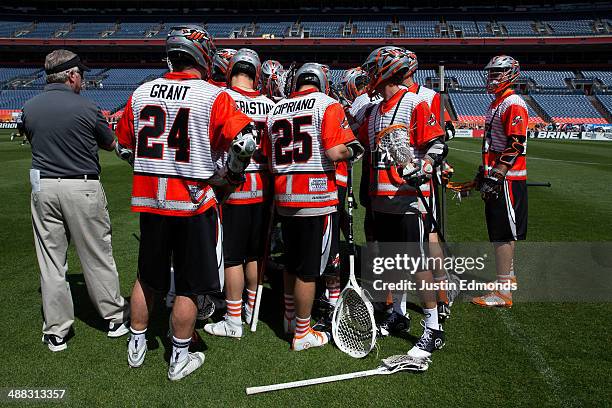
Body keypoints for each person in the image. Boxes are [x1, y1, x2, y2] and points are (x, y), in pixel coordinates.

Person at [115, 25, 255, 380]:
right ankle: (179, 357)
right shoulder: (213, 95)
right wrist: (231, 177)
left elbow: (124, 144)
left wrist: (150, 167)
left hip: (150, 201)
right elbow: (245, 142)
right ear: (203, 55)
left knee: (147, 276)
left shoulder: (142, 91)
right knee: (190, 284)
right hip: (193, 202)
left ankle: (136, 345)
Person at [19, 49, 129, 352]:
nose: (83, 78)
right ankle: (114, 317)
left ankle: (57, 331)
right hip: (82, 187)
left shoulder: (29, 106)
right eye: (81, 73)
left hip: (43, 188)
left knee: (51, 262)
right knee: (96, 255)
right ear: (71, 75)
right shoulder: (87, 107)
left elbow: (28, 135)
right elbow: (110, 144)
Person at [264, 63, 361, 351]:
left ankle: (290, 317)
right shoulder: (328, 104)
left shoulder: (276, 109)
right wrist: (356, 147)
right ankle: (302, 333)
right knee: (307, 270)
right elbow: (336, 151)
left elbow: (270, 157)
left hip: (284, 195)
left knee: (290, 263)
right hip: (316, 197)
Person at [359, 46, 447, 359]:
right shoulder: (372, 112)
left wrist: (424, 167)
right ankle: (398, 314)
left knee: (417, 264)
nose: (368, 75)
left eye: (373, 69)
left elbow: (437, 145)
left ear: (385, 70)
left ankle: (433, 328)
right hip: (380, 199)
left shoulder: (415, 103)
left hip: (409, 200)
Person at [203, 48, 275, 338]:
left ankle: (233, 320)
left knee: (233, 257)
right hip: (264, 188)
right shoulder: (271, 104)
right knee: (255, 255)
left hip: (232, 187)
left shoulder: (221, 98)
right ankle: (251, 308)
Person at [400, 49, 455, 321]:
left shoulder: (428, 96)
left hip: (422, 175)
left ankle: (442, 294)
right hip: (395, 179)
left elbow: (441, 137)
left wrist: (436, 164)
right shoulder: (394, 97)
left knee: (430, 237)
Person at [472, 55, 528, 308]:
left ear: (511, 74)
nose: (492, 78)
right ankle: (508, 279)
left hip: (506, 178)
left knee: (502, 233)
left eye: (498, 73)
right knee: (500, 231)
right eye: (491, 73)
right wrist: (484, 171)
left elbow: (516, 143)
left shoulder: (512, 102)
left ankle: (504, 292)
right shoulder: (498, 102)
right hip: (497, 174)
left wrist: (497, 173)